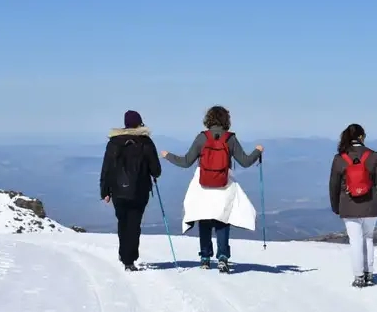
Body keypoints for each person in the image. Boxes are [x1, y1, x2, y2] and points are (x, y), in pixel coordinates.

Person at [161, 105, 263, 273]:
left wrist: (167, 156)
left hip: (203, 185)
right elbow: (245, 161)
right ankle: (222, 257)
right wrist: (257, 151)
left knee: (204, 220)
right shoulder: (230, 139)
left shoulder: (202, 138)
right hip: (224, 185)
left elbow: (186, 162)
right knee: (222, 220)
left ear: (208, 119)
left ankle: (205, 257)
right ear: (226, 120)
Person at [100, 110, 162, 271]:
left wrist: (105, 191)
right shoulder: (146, 142)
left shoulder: (114, 143)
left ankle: (124, 254)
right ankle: (130, 259)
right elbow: (156, 170)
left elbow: (106, 169)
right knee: (134, 224)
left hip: (118, 191)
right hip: (139, 191)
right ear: (139, 123)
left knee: (123, 222)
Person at [329, 123, 377, 287]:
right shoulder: (373, 156)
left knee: (355, 241)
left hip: (348, 205)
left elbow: (333, 185)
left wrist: (336, 206)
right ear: (362, 137)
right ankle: (369, 274)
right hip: (371, 204)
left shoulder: (340, 158)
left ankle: (358, 277)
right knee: (368, 238)